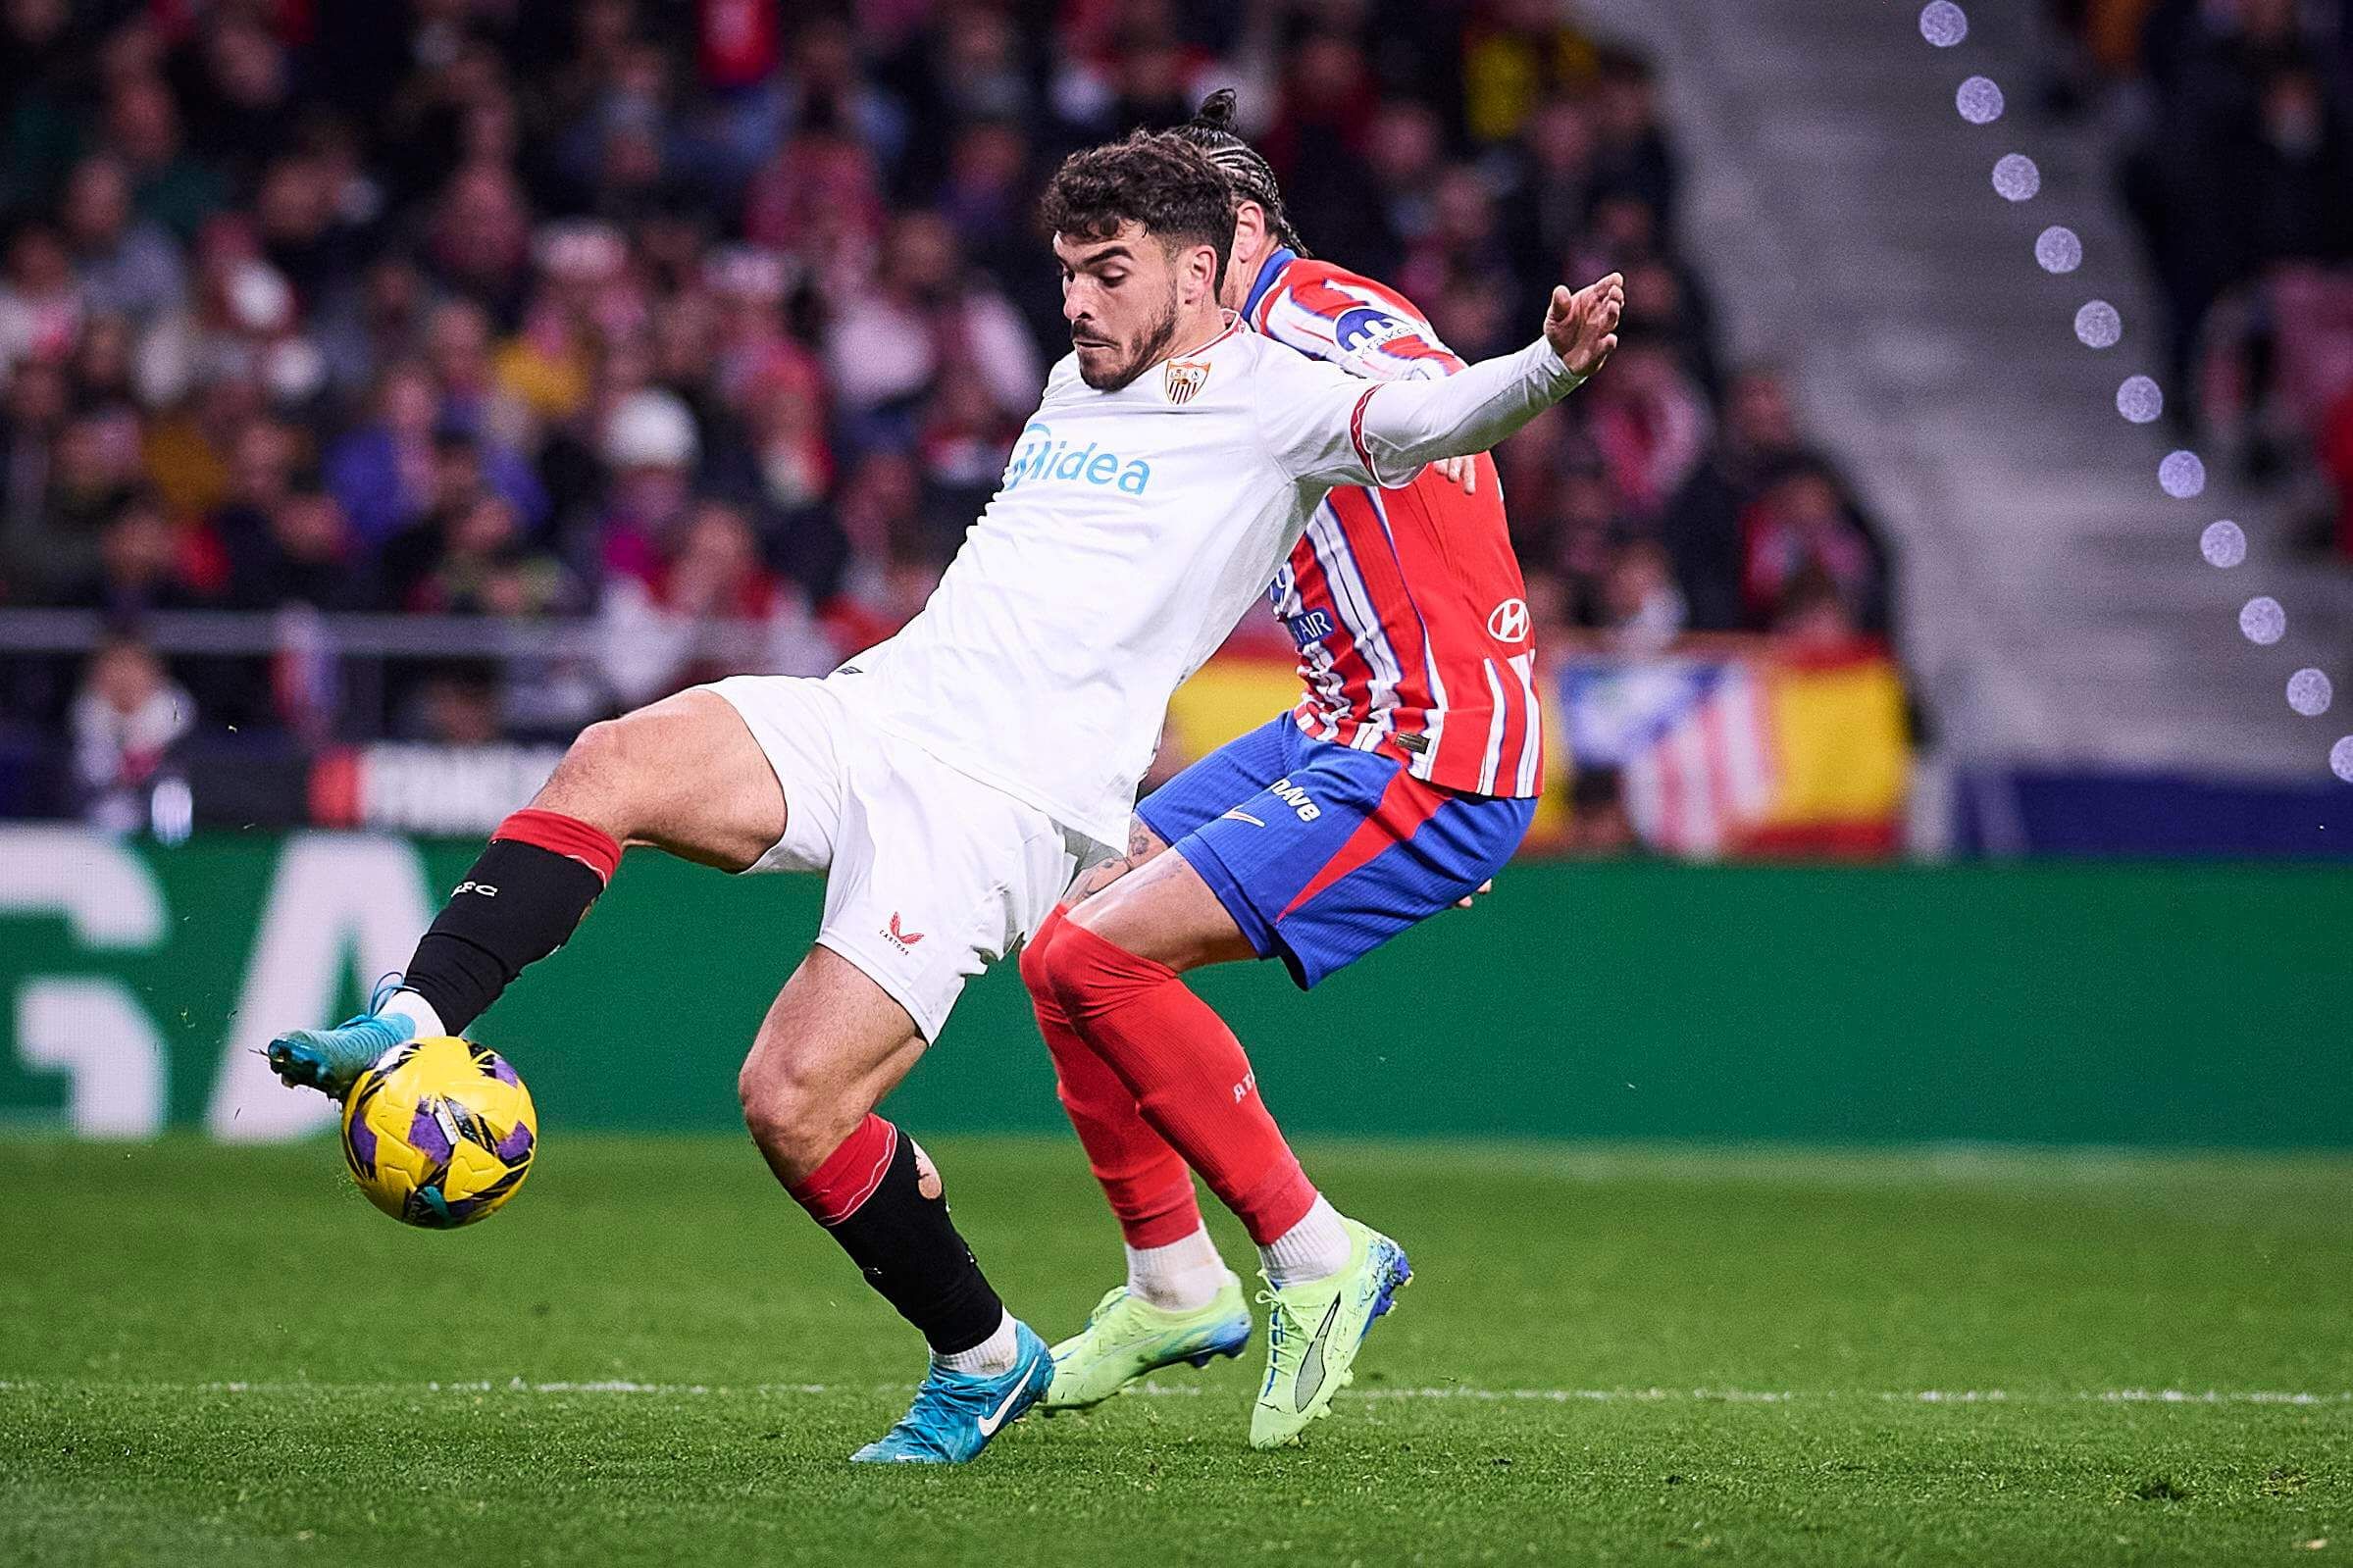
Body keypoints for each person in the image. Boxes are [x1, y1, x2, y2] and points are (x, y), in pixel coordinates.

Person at [261, 131, 1621, 1465]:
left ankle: (983, 1359)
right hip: (877, 712)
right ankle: (408, 1017)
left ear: (1201, 269)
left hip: (999, 810)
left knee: (793, 1106)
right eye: (1067, 271)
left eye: (1109, 271)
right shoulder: (1077, 377)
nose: (1077, 300)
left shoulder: (1287, 403)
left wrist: (1549, 364)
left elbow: (1442, 414)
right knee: (610, 759)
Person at [1024, 92, 1560, 1448]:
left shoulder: (1321, 314)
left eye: (1164, 245)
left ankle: (1320, 1256)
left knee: (1100, 961)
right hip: (1344, 725)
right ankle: (1172, 1284)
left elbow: (1432, 394)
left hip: (1424, 750)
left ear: (1239, 235)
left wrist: (1544, 366)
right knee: (1055, 941)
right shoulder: (1213, 367)